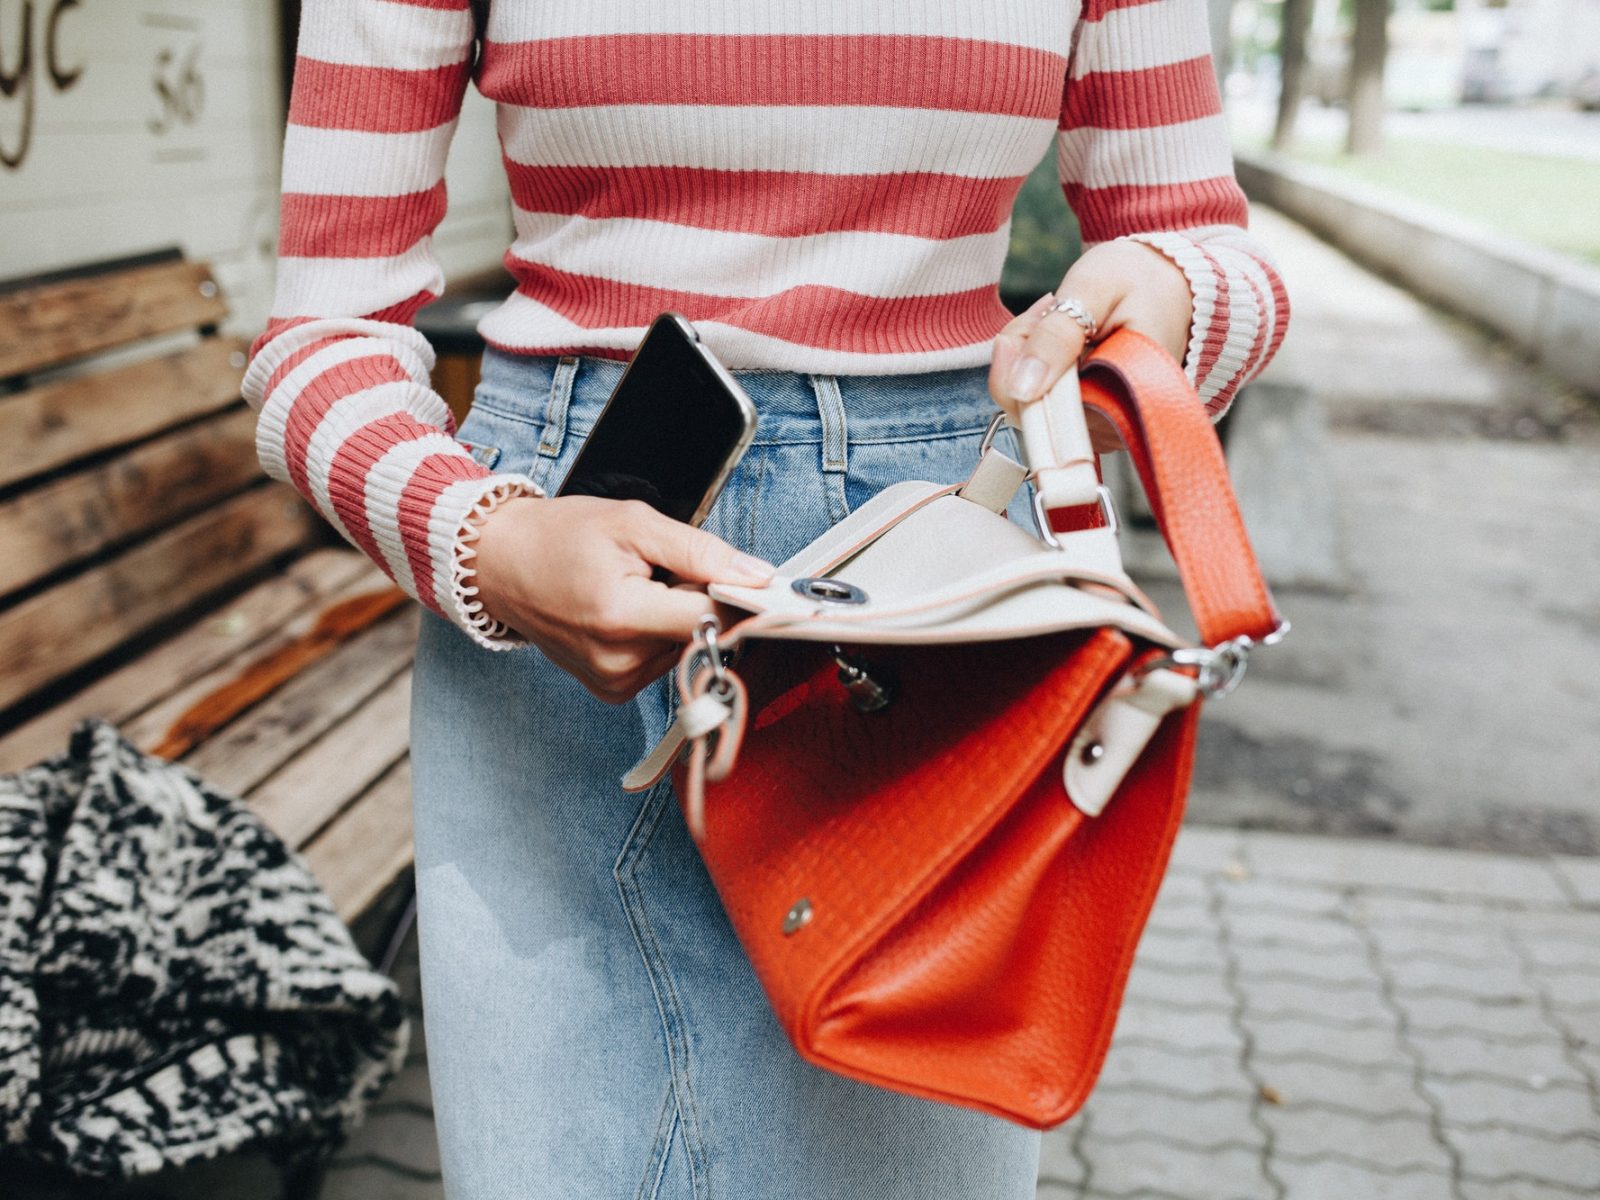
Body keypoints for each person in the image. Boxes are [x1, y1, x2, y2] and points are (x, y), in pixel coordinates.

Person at [243, 2, 1288, 1196]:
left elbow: (1217, 262)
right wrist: (482, 537)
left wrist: (1165, 292)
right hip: (553, 559)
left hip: (936, 602)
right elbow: (317, 334)